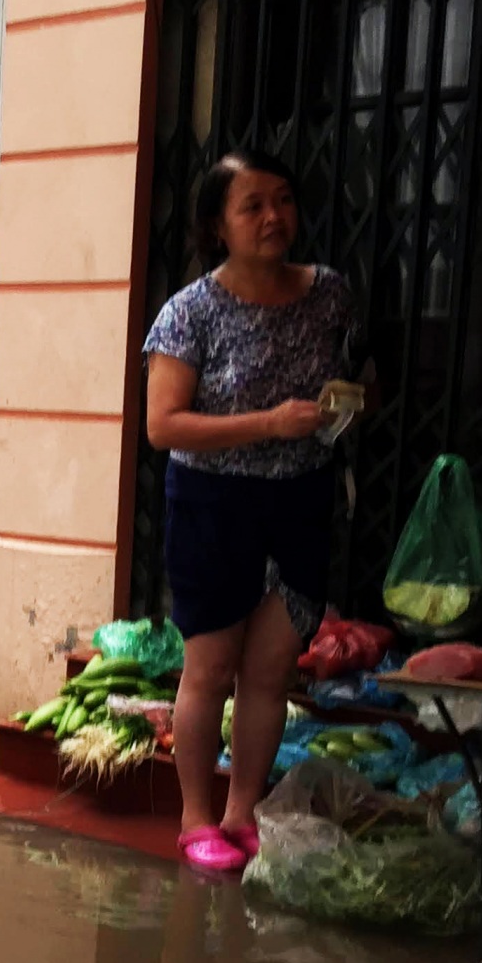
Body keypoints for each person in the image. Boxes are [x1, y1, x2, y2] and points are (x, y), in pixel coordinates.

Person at [143, 149, 361, 873]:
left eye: (283, 200)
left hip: (299, 496)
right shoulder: (190, 312)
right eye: (252, 205)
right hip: (213, 500)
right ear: (219, 224)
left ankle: (244, 813)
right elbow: (164, 425)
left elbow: (362, 372)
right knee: (209, 666)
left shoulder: (329, 294)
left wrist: (342, 410)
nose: (273, 217)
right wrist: (267, 423)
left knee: (271, 669)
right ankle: (195, 816)